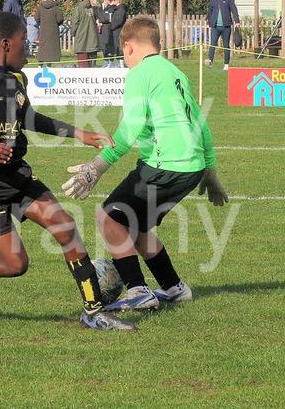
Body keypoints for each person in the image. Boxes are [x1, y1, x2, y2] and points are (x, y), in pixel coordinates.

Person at [0, 11, 135, 331]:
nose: (30, 45)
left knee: (65, 227)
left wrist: (78, 133)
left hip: (18, 175)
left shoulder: (18, 79)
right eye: (24, 39)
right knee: (14, 263)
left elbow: (29, 118)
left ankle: (93, 311)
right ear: (5, 44)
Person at [62, 17, 227, 311]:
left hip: (166, 164)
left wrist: (97, 167)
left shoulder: (140, 74)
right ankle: (174, 288)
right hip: (190, 168)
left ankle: (138, 290)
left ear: (128, 47)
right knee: (134, 225)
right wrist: (210, 171)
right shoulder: (176, 72)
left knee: (109, 218)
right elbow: (200, 123)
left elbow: (130, 128)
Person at [206, 0, 240, 71]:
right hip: (215, 27)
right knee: (212, 44)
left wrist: (237, 21)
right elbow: (210, 11)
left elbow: (234, 9)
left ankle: (226, 64)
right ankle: (210, 61)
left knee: (226, 45)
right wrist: (209, 21)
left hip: (226, 26)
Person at [69, 0, 99, 68]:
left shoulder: (78, 8)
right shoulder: (93, 8)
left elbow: (75, 22)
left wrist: (73, 32)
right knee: (92, 59)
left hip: (81, 36)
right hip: (92, 36)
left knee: (82, 61)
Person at [35, 0, 64, 65]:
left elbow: (36, 18)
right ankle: (49, 65)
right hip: (53, 31)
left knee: (42, 47)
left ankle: (40, 64)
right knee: (51, 49)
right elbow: (60, 19)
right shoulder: (57, 8)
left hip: (43, 30)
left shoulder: (40, 7)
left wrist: (42, 22)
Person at [96, 0, 116, 67]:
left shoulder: (112, 8)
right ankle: (105, 61)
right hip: (101, 29)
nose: (105, 2)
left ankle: (110, 61)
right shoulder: (100, 8)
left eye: (107, 0)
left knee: (109, 45)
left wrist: (101, 20)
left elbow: (109, 18)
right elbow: (98, 16)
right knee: (103, 46)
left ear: (110, 1)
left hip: (108, 29)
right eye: (104, 0)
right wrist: (98, 21)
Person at [110, 0, 127, 68]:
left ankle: (121, 63)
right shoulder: (117, 8)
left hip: (119, 30)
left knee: (119, 47)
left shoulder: (121, 9)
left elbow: (119, 21)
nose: (113, 1)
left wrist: (112, 26)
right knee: (116, 46)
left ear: (119, 1)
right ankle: (118, 62)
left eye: (114, 0)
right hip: (116, 31)